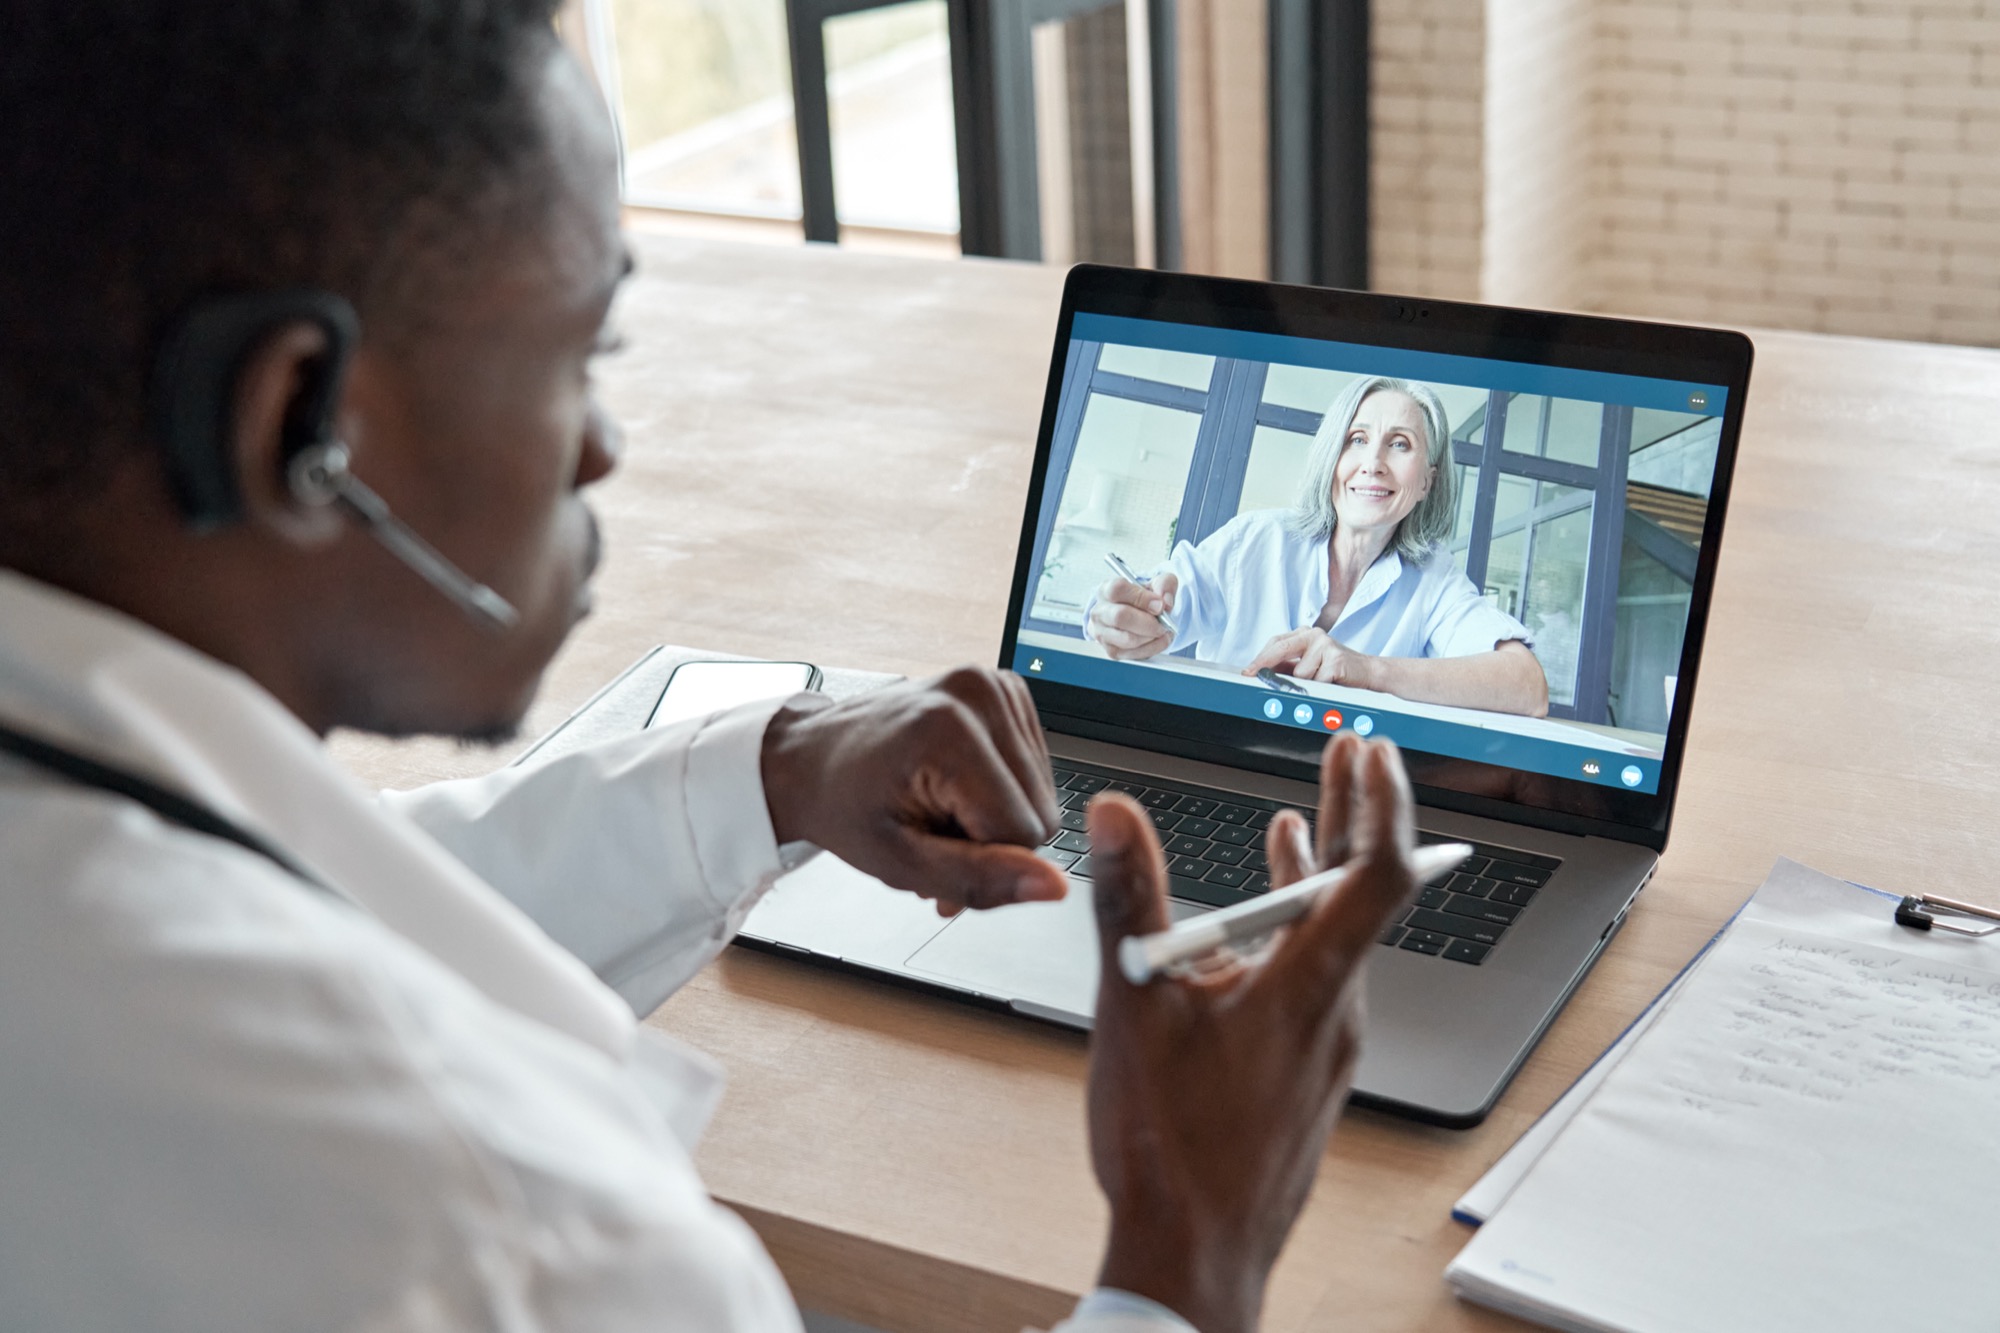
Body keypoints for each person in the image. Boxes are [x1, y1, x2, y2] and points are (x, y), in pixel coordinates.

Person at [0, 5, 1420, 1331]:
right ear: (298, 422)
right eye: (580, 350)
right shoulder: (490, 1221)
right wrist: (1187, 1250)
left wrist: (772, 768)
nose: (603, 446)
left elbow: (324, 889)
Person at [1085, 377, 1551, 718]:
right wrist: (1126, 619)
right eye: (1357, 440)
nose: (1373, 464)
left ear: (1427, 481)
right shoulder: (1255, 539)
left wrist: (1366, 670)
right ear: (1333, 458)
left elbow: (1527, 687)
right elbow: (1152, 605)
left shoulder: (1434, 579)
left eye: (1400, 445)